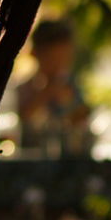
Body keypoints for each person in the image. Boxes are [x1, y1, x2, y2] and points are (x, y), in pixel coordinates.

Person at [16, 18, 92, 156]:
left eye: (64, 58)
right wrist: (45, 94)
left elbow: (83, 119)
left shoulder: (71, 86)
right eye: (53, 58)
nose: (59, 65)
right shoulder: (27, 87)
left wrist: (68, 103)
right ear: (36, 54)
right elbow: (24, 117)